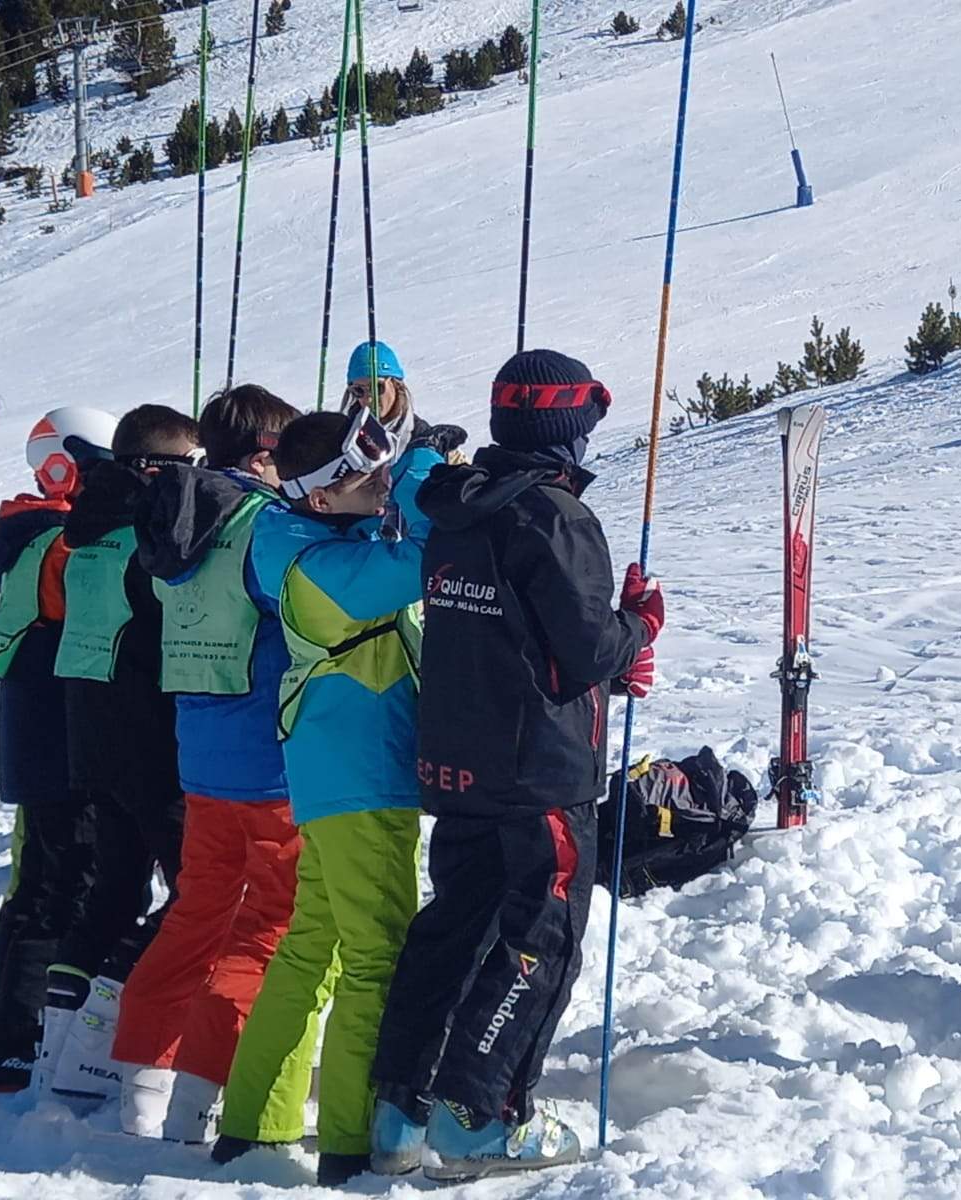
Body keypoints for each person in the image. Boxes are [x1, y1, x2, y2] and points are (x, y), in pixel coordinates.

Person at [369, 350, 661, 1182]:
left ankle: (400, 1111)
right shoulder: (554, 516)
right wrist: (637, 626)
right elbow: (585, 649)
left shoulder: (452, 505)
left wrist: (611, 642)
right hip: (539, 767)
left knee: (456, 924)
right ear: (568, 430)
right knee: (539, 935)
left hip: (461, 755)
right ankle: (476, 1116)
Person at [213, 408, 459, 1187]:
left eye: (384, 470)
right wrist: (421, 468)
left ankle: (256, 1122)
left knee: (312, 945)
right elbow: (424, 558)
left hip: (334, 773)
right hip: (362, 778)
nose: (382, 484)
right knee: (376, 956)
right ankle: (351, 1140)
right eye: (367, 477)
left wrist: (405, 462)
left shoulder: (304, 538)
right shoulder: (322, 567)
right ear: (321, 497)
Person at [109, 385, 301, 1143]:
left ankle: (140, 1080)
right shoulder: (265, 524)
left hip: (203, 756)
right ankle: (203, 1088)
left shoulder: (173, 521)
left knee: (196, 915)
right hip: (273, 761)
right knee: (270, 925)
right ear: (264, 452)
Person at [38, 405, 202, 1103]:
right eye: (190, 469)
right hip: (148, 741)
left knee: (113, 891)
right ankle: (101, 1033)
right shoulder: (145, 533)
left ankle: (59, 1041)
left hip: (95, 739)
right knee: (199, 893)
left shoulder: (86, 525)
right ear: (154, 469)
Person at [0, 406, 119, 1093]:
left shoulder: (23, 528)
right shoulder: (55, 539)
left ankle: (6, 1027)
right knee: (65, 882)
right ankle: (17, 1036)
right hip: (68, 733)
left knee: (38, 883)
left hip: (39, 733)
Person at [341, 340, 411, 427]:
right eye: (358, 390)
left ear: (396, 384)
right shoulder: (342, 434)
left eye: (377, 387)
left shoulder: (423, 437)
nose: (369, 399)